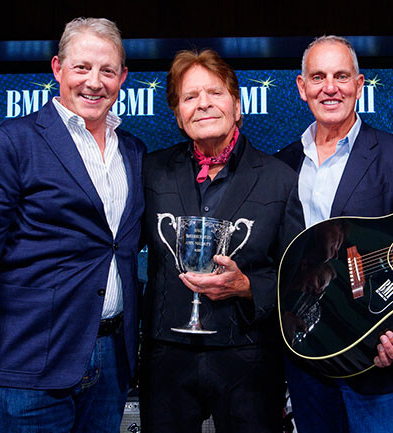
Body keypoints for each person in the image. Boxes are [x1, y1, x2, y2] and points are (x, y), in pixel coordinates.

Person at [0, 17, 145, 432]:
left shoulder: (134, 151)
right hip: (28, 365)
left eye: (107, 70)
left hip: (111, 361)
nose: (94, 81)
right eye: (82, 67)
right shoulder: (12, 141)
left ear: (123, 77)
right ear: (57, 69)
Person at [276, 35, 393, 433]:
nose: (330, 87)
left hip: (376, 355)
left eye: (341, 76)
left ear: (360, 85)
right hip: (306, 356)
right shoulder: (282, 164)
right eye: (318, 77)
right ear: (301, 87)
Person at [139, 48, 303, 433]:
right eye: (190, 97)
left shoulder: (280, 178)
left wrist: (248, 287)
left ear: (238, 105)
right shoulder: (151, 172)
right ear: (178, 116)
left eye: (214, 92)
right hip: (168, 360)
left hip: (248, 359)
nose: (203, 104)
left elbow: (297, 275)